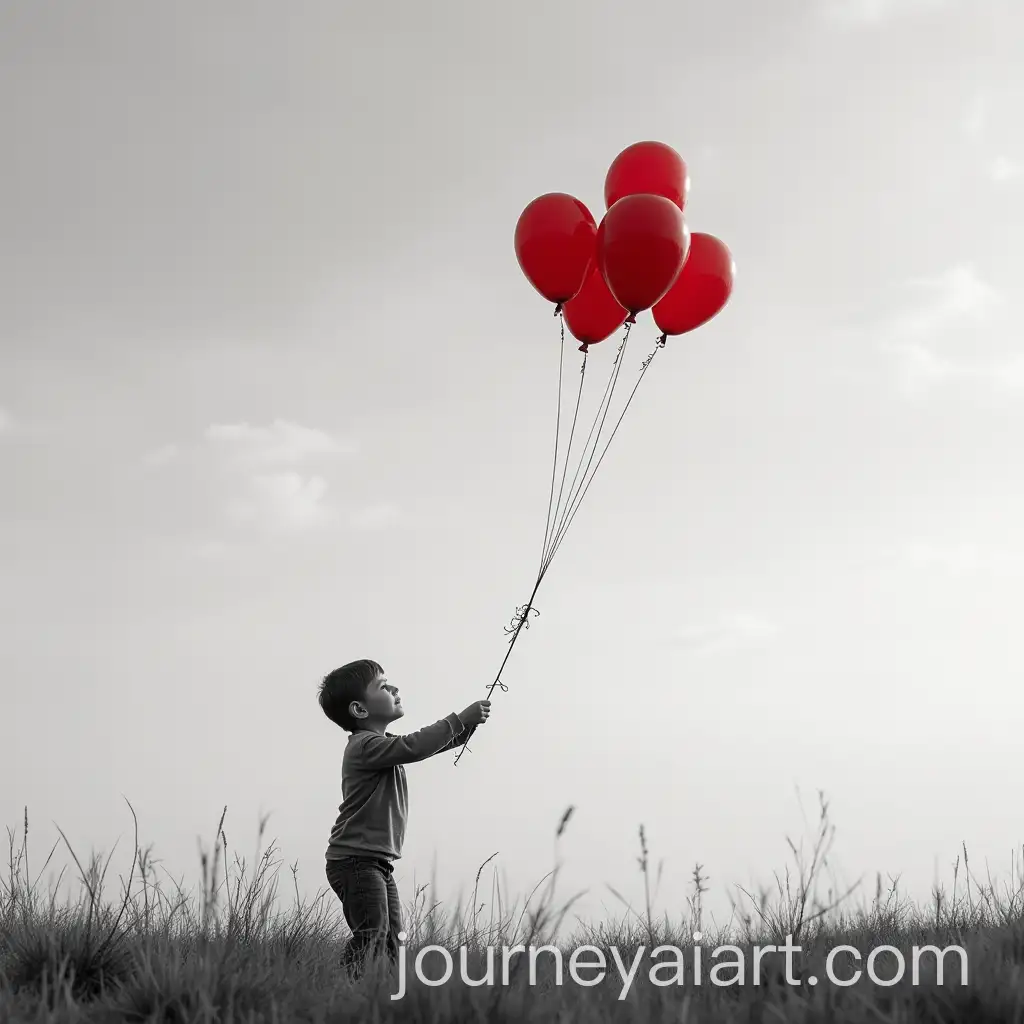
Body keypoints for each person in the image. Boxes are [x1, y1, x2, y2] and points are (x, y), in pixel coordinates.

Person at [318, 658, 490, 976]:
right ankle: (340, 986)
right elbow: (414, 747)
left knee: (394, 939)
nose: (394, 688)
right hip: (354, 861)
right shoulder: (363, 746)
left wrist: (464, 730)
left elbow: (420, 746)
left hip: (375, 862)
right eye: (383, 686)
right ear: (359, 710)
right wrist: (458, 719)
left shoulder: (382, 746)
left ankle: (394, 993)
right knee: (372, 933)